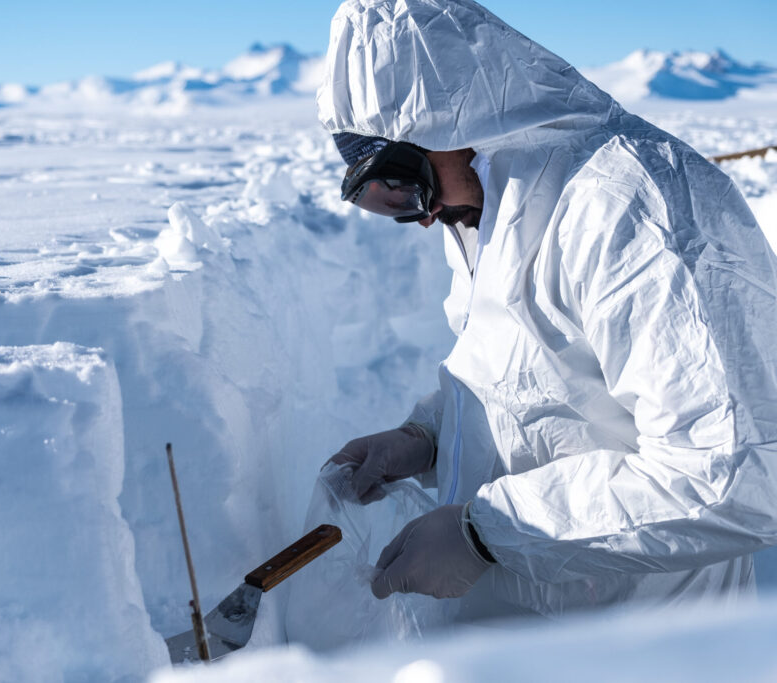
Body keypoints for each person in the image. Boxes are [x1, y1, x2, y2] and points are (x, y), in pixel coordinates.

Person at [318, 0, 777, 621]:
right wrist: (428, 438)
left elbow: (737, 473)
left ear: (460, 122)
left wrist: (490, 534)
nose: (420, 213)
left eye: (406, 180)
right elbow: (534, 379)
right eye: (386, 197)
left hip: (637, 646)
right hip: (518, 628)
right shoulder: (491, 208)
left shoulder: (632, 206)